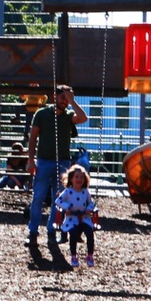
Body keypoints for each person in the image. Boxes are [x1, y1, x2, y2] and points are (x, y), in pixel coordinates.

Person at [25, 83, 88, 250]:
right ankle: (32, 232)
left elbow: (83, 118)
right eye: (62, 98)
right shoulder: (41, 113)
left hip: (63, 162)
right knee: (38, 197)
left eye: (67, 99)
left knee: (58, 200)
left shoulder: (68, 115)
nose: (64, 102)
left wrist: (72, 100)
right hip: (44, 161)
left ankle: (51, 231)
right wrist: (31, 161)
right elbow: (32, 139)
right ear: (55, 97)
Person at [52, 163, 100, 267]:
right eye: (77, 177)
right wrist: (66, 207)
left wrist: (89, 209)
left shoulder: (85, 192)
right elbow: (58, 201)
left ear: (85, 179)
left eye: (82, 177)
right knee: (73, 234)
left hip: (84, 218)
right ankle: (74, 256)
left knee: (90, 233)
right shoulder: (68, 191)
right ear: (71, 179)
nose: (79, 179)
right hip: (71, 219)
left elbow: (91, 203)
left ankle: (90, 255)